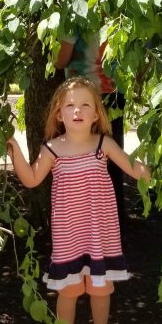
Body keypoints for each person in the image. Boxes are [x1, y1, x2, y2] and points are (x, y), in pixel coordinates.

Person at [6, 77, 150, 324]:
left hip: (101, 231)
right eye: (70, 105)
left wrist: (157, 158)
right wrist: (16, 150)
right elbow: (32, 179)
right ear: (59, 114)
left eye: (85, 104)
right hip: (70, 233)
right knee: (69, 288)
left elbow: (135, 170)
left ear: (97, 113)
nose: (77, 110)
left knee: (101, 288)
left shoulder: (104, 144)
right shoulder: (52, 149)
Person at [55, 33, 127, 228]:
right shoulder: (118, 8)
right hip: (114, 93)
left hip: (83, 96)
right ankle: (113, 224)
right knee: (112, 160)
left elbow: (60, 61)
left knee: (81, 158)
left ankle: (82, 226)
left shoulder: (76, 14)